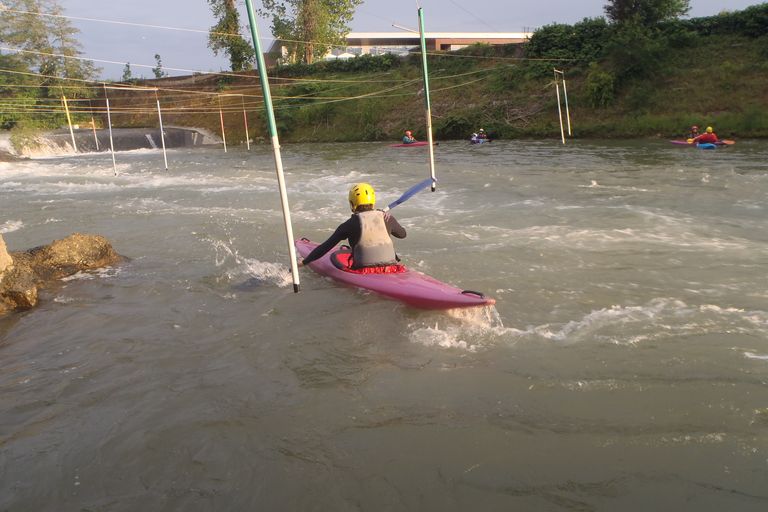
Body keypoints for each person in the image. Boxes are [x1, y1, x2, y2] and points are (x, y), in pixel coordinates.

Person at [299, 183, 406, 270]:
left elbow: (326, 247)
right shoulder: (386, 218)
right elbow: (402, 234)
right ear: (373, 201)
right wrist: (391, 220)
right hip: (391, 268)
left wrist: (304, 262)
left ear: (352, 203)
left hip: (363, 271)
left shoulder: (349, 224)